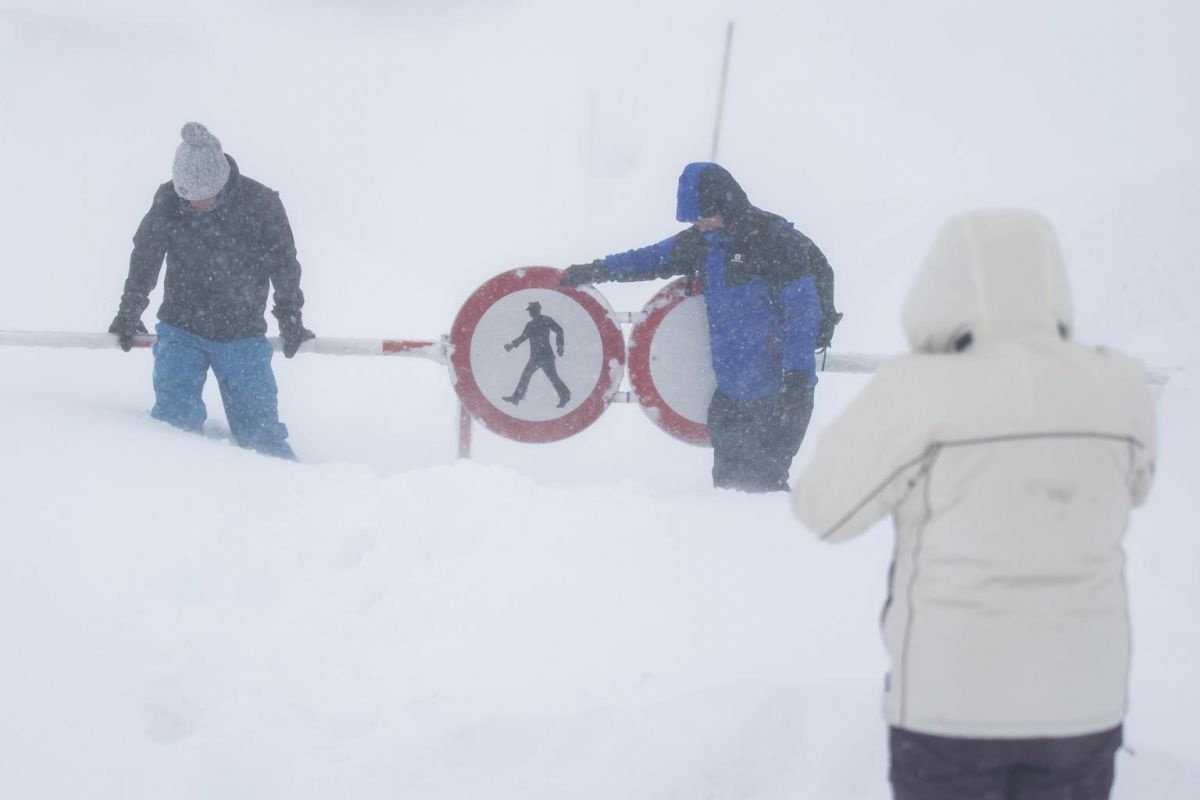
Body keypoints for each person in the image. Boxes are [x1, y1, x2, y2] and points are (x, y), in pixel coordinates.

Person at [790, 209, 1157, 799]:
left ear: (940, 290)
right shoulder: (1119, 384)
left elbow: (823, 510)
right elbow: (1136, 489)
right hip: (1084, 699)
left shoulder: (919, 389)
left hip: (951, 702)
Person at [561, 162, 840, 492]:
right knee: (727, 491)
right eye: (694, 219)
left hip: (777, 394)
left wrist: (796, 382)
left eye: (705, 215)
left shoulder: (775, 241)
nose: (700, 224)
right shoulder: (705, 243)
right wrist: (596, 270)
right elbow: (648, 259)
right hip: (730, 395)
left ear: (726, 205)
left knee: (762, 491)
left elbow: (802, 315)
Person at [108, 122, 314, 459]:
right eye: (187, 196)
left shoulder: (260, 203)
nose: (194, 203)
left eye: (202, 196)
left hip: (242, 336)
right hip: (181, 330)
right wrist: (129, 311)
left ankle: (284, 486)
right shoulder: (169, 200)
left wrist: (290, 316)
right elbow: (146, 257)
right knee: (173, 427)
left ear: (220, 181)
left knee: (260, 436)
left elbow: (284, 264)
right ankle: (175, 484)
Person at [502, 301, 571, 408]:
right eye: (530, 311)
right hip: (535, 357)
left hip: (546, 355)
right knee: (527, 375)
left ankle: (565, 396)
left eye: (531, 310)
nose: (530, 313)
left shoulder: (546, 320)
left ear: (537, 310)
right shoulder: (530, 325)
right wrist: (511, 345)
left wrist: (560, 345)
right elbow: (523, 337)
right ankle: (516, 398)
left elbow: (559, 330)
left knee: (553, 377)